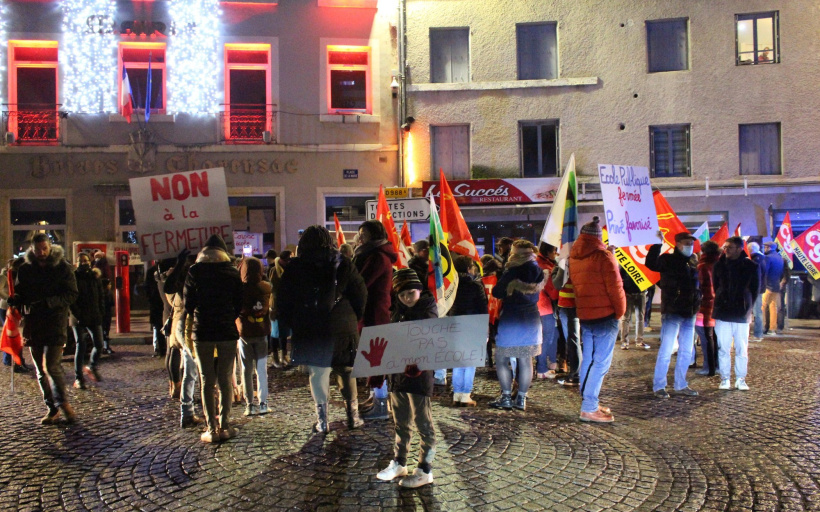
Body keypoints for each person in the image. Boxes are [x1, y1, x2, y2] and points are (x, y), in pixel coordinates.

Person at [278, 225, 368, 432]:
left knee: (318, 373)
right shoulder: (343, 263)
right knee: (346, 371)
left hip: (310, 327)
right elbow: (360, 295)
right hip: (343, 324)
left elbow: (283, 301)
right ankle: (353, 417)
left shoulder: (295, 267)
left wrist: (295, 323)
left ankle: (323, 421)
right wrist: (353, 318)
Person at [376, 268, 438, 488]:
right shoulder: (396, 310)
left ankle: (424, 469)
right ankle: (400, 462)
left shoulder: (428, 311)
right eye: (401, 294)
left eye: (410, 293)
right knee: (401, 421)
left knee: (423, 422)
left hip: (419, 379)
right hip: (397, 376)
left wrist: (420, 363)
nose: (406, 298)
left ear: (419, 291)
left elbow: (432, 343)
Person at [11, 234, 79, 424]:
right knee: (40, 370)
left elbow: (72, 294)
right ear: (32, 249)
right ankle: (52, 408)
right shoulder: (25, 269)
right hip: (33, 324)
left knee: (51, 365)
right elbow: (20, 292)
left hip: (55, 321)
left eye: (44, 249)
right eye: (37, 249)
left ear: (50, 248)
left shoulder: (62, 267)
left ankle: (63, 404)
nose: (41, 253)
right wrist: (16, 300)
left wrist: (50, 303)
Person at [184, 235, 243, 443]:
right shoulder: (231, 271)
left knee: (207, 380)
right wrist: (228, 316)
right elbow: (239, 302)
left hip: (203, 332)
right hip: (226, 331)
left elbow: (188, 304)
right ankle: (226, 425)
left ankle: (211, 428)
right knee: (226, 379)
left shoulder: (195, 272)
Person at [570, 217, 625, 423]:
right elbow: (616, 288)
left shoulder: (575, 256)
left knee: (590, 360)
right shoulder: (604, 256)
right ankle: (589, 407)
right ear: (599, 238)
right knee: (600, 362)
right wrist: (619, 313)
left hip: (586, 315)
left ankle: (588, 400)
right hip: (605, 315)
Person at [489, 240, 544, 411]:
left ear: (516, 253)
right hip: (532, 317)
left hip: (512, 317)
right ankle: (521, 399)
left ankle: (506, 396)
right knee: (526, 359)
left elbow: (497, 292)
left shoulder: (512, 271)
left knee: (502, 358)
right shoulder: (538, 269)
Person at [645, 232, 701, 399]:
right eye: (686, 243)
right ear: (677, 243)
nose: (689, 246)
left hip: (690, 312)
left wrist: (698, 299)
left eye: (691, 243)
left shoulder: (693, 261)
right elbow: (651, 264)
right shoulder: (667, 259)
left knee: (686, 351)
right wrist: (657, 244)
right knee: (666, 349)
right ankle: (659, 386)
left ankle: (681, 384)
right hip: (673, 311)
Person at [353, 220, 398, 421]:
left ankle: (381, 404)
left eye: (363, 233)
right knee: (370, 357)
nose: (359, 237)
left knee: (376, 358)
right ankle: (374, 397)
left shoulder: (377, 256)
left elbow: (361, 282)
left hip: (375, 313)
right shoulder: (371, 254)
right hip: (369, 311)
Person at [713, 236, 758, 391]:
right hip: (723, 311)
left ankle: (741, 378)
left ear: (739, 248)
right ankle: (725, 378)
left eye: (729, 247)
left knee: (741, 348)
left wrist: (747, 306)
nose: (726, 250)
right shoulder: (719, 265)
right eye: (725, 247)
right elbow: (716, 286)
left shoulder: (751, 266)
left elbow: (755, 289)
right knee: (723, 348)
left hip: (741, 312)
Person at [449, 256, 487, 406]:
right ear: (469, 269)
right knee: (470, 361)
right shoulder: (475, 285)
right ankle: (465, 394)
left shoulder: (451, 285)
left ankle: (457, 394)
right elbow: (483, 309)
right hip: (472, 325)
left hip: (454, 325)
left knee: (458, 361)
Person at [236, 257, 272, 416]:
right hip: (262, 331)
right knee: (261, 369)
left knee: (246, 370)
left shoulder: (239, 289)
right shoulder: (266, 287)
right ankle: (263, 403)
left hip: (244, 333)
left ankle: (249, 404)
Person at [70, 252, 106, 390]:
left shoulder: (94, 277)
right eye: (81, 261)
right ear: (76, 263)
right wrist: (77, 314)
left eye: (85, 260)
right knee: (81, 345)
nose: (83, 263)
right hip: (78, 317)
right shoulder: (73, 277)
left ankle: (92, 366)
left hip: (94, 315)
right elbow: (72, 298)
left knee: (99, 344)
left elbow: (100, 295)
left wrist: (101, 311)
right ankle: (78, 378)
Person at [552, 257, 581, 387]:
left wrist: (562, 265)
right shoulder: (585, 259)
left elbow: (557, 284)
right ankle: (578, 373)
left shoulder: (565, 261)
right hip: (577, 305)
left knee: (573, 341)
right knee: (577, 341)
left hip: (570, 306)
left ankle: (575, 375)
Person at [535, 242, 560, 379]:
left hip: (534, 306)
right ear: (548, 252)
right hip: (544, 306)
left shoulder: (536, 263)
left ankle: (542, 366)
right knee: (546, 337)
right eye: (554, 250)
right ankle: (542, 368)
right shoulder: (546, 267)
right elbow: (553, 291)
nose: (555, 253)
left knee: (544, 337)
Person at [695, 241, 720, 377]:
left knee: (705, 337)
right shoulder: (721, 264)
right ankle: (717, 365)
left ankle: (708, 367)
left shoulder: (702, 266)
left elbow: (698, 287)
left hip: (704, 306)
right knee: (716, 337)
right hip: (718, 305)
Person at [1, 258, 30, 371]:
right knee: (12, 334)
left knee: (18, 336)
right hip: (8, 308)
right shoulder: (5, 276)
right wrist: (9, 298)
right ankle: (11, 359)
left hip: (18, 308)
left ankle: (19, 360)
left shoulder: (21, 277)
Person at [268, 250, 291, 369]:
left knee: (283, 332)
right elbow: (274, 290)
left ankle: (284, 355)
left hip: (285, 305)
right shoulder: (274, 270)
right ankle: (275, 357)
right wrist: (274, 308)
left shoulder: (286, 269)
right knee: (275, 332)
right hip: (276, 306)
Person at [619, 267, 649, 350]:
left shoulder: (627, 263)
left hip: (635, 292)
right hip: (634, 292)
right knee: (633, 318)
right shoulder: (639, 263)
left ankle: (626, 342)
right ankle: (631, 341)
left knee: (628, 318)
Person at [762, 242, 789, 335]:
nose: (764, 248)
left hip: (768, 286)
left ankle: (762, 327)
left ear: (769, 248)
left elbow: (765, 272)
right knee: (773, 307)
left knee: (763, 306)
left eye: (765, 247)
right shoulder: (780, 258)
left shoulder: (768, 258)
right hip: (776, 286)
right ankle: (772, 328)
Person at [748, 242, 767, 342]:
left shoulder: (756, 260)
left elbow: (757, 277)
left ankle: (758, 334)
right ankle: (758, 333)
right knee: (757, 311)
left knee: (757, 312)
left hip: (756, 290)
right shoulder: (762, 258)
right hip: (760, 289)